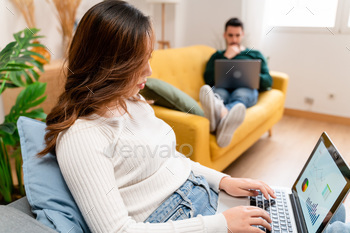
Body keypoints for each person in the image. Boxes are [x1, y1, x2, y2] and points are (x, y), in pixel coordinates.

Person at [37, 1, 348, 233]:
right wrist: (220, 224)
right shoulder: (82, 136)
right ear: (108, 65)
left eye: (149, 59)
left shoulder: (133, 102)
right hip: (182, 220)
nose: (149, 71)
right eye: (138, 62)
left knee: (326, 215)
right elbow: (117, 231)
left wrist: (227, 181)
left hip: (203, 199)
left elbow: (173, 160)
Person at [200, 18, 273, 148]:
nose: (234, 39)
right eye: (230, 35)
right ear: (225, 35)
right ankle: (224, 118)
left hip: (246, 88)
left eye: (237, 35)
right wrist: (226, 57)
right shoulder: (217, 55)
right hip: (222, 87)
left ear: (242, 35)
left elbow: (268, 80)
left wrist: (250, 75)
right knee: (218, 93)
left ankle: (219, 115)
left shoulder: (255, 54)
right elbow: (208, 78)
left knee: (240, 95)